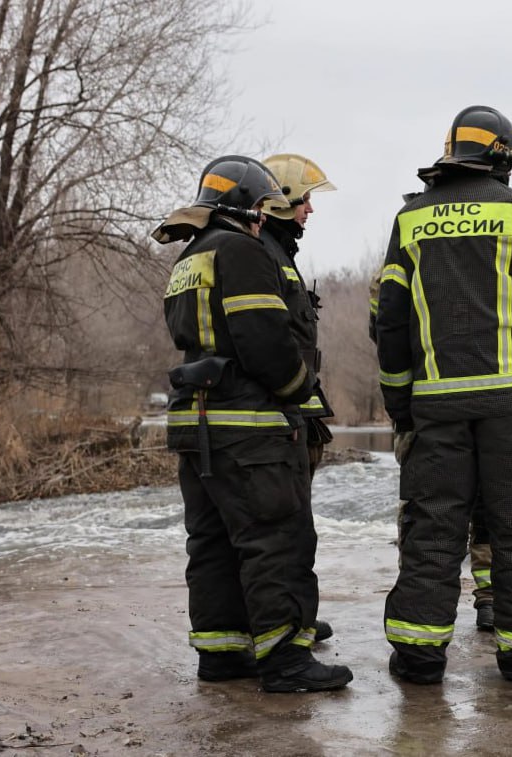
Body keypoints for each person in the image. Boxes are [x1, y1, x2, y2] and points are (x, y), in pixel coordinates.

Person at [374, 106, 512, 684]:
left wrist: (399, 404)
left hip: (435, 407)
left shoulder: (409, 220)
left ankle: (418, 653)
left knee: (432, 526)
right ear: (500, 157)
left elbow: (391, 324)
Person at [152, 155, 353, 692]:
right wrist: (297, 390)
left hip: (198, 427)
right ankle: (286, 660)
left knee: (213, 542)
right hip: (249, 427)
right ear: (245, 207)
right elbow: (263, 340)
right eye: (264, 207)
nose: (269, 218)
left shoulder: (191, 256)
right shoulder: (241, 250)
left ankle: (223, 654)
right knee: (274, 538)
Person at [369, 274, 495, 631]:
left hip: (426, 404)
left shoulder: (400, 260)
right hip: (478, 402)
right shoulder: (487, 245)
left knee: (429, 508)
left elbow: (383, 333)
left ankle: (428, 601)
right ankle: (480, 599)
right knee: (462, 505)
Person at [260, 154, 337, 479]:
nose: (310, 209)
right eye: (305, 199)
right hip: (283, 410)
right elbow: (266, 338)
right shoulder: (264, 253)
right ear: (282, 201)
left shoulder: (280, 253)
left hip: (297, 405)